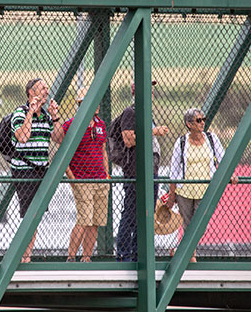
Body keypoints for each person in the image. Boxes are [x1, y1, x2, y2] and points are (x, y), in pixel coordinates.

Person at [166, 108, 238, 262]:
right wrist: (172, 196)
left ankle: (181, 251)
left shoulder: (212, 139)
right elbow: (174, 170)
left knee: (200, 225)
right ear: (189, 124)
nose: (202, 123)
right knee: (187, 225)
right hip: (184, 191)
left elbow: (223, 159)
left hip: (205, 190)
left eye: (203, 119)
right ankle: (191, 257)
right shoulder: (182, 142)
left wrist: (230, 174)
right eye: (198, 120)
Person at [11, 78, 64, 263]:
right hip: (24, 170)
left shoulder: (47, 116)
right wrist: (31, 113)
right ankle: (24, 257)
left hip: (42, 171)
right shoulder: (20, 112)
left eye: (47, 88)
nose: (46, 91)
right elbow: (23, 137)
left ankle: (26, 255)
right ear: (31, 93)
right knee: (29, 215)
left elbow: (58, 138)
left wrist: (55, 116)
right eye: (43, 89)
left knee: (35, 215)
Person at [116, 81, 169, 262]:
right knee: (131, 212)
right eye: (147, 89)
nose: (151, 92)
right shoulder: (131, 112)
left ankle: (139, 253)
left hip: (150, 171)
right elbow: (129, 140)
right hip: (136, 172)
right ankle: (123, 255)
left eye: (151, 90)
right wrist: (154, 131)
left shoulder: (147, 113)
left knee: (146, 214)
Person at [62, 88, 110, 262]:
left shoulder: (100, 125)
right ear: (81, 104)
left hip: (100, 179)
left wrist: (107, 175)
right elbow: (63, 153)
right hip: (82, 180)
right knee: (83, 219)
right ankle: (71, 257)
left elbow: (103, 151)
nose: (96, 105)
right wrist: (71, 177)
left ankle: (87, 257)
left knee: (95, 221)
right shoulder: (71, 125)